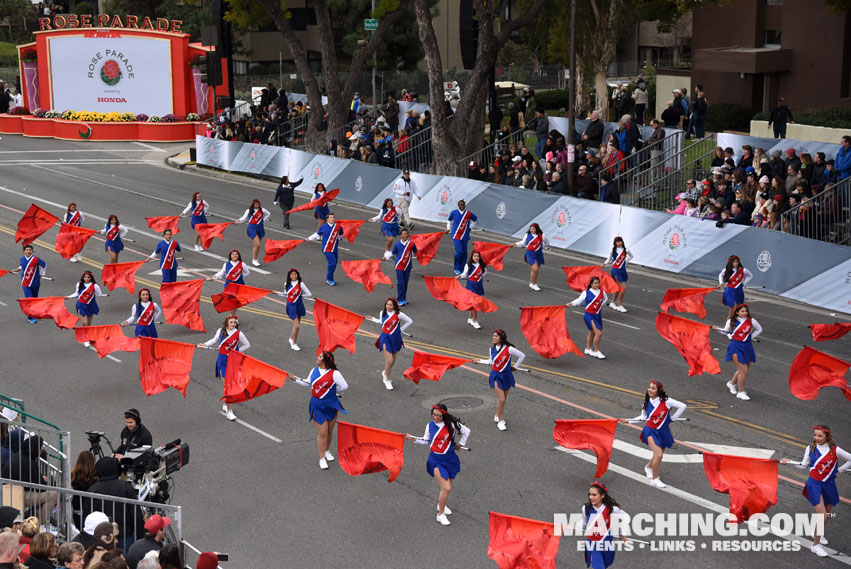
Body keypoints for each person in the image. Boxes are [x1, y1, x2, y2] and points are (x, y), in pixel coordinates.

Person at [780, 425, 851, 558]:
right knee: (822, 515)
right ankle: (816, 545)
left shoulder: (835, 450)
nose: (816, 438)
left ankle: (818, 532)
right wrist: (789, 462)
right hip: (814, 485)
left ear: (827, 437)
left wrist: (838, 470)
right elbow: (803, 466)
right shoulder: (810, 448)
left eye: (820, 436)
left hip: (829, 485)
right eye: (815, 435)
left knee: (827, 513)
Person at [405, 404, 470, 526]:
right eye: (433, 414)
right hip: (435, 460)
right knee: (446, 488)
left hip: (450, 459)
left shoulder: (452, 424)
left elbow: (466, 431)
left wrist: (460, 444)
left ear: (444, 415)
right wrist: (413, 438)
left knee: (448, 486)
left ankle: (442, 504)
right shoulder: (429, 425)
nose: (435, 417)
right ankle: (440, 514)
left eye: (438, 416)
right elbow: (425, 440)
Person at [619, 381, 686, 488]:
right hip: (650, 431)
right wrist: (628, 420)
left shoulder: (667, 401)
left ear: (658, 391)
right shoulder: (646, 403)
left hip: (664, 431)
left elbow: (683, 406)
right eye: (649, 387)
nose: (650, 390)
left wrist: (673, 418)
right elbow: (643, 418)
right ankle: (655, 479)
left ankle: (649, 467)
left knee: (657, 454)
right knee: (659, 454)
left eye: (653, 388)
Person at [293, 351, 348, 470]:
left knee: (329, 431)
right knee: (322, 432)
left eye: (320, 356)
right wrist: (294, 378)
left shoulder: (335, 374)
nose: (317, 357)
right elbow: (308, 383)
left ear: (325, 361)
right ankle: (322, 458)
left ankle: (327, 450)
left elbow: (344, 386)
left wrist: (333, 391)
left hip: (331, 404)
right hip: (317, 405)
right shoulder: (313, 371)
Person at [198, 316, 250, 421]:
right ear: (226, 323)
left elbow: (247, 345)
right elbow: (214, 340)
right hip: (222, 360)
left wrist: (236, 352)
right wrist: (204, 344)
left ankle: (226, 404)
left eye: (235, 323)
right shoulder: (220, 331)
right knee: (228, 385)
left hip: (232, 361)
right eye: (231, 322)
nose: (233, 324)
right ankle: (229, 411)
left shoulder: (239, 334)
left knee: (230, 385)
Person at [85, 458, 144, 548]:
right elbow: (135, 514)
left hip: (101, 538)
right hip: (124, 537)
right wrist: (141, 536)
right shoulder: (125, 487)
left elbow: (87, 515)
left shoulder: (92, 490)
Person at [476, 330, 525, 431]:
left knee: (503, 399)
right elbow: (491, 362)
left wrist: (515, 367)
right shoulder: (491, 349)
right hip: (496, 375)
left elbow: (522, 356)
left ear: (501, 338)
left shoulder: (509, 349)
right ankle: (500, 421)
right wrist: (479, 361)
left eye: (495, 336)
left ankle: (497, 415)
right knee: (501, 399)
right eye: (493, 336)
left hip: (507, 375)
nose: (493, 338)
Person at [714, 303, 762, 401]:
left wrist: (749, 337)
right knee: (744, 370)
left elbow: (759, 329)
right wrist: (716, 330)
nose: (744, 313)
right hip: (735, 346)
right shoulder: (731, 321)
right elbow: (725, 332)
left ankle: (731, 383)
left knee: (744, 369)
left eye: (746, 311)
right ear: (737, 312)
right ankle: (741, 392)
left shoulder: (751, 320)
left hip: (748, 346)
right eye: (742, 311)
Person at [580, 481, 629, 568]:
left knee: (605, 565)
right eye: (590, 494)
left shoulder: (612, 510)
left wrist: (622, 534)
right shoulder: (586, 508)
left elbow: (625, 517)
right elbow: (584, 523)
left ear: (602, 496)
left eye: (594, 495)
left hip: (607, 544)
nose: (591, 497)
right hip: (593, 544)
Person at [373, 298, 413, 391]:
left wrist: (401, 330)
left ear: (394, 306)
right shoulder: (382, 312)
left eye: (390, 305)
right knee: (390, 360)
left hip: (396, 338)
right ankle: (387, 379)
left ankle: (385, 372)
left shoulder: (399, 314)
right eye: (387, 305)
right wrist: (373, 319)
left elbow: (410, 321)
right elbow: (381, 322)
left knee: (393, 361)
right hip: (385, 338)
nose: (388, 307)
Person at [567, 276, 608, 359]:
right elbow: (579, 300)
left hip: (598, 315)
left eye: (598, 283)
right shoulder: (586, 292)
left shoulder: (602, 292)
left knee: (592, 332)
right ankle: (597, 351)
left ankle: (588, 349)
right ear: (591, 284)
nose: (597, 285)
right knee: (598, 333)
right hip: (589, 315)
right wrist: (570, 304)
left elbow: (605, 300)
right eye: (595, 283)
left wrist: (598, 306)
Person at [273, 268, 312, 351]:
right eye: (292, 274)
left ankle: (291, 338)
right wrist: (277, 293)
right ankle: (294, 343)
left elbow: (309, 294)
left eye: (295, 274)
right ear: (289, 276)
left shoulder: (301, 284)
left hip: (299, 305)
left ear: (297, 275)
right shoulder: (286, 284)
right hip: (291, 306)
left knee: (297, 325)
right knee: (297, 326)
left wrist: (300, 297)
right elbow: (286, 295)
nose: (294, 276)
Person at [11, 244, 47, 323]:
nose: (28, 251)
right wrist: (15, 270)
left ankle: (35, 313)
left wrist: (41, 274)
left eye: (30, 250)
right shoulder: (22, 259)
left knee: (35, 299)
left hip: (35, 282)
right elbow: (22, 267)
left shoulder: (36, 259)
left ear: (32, 251)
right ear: (24, 251)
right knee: (29, 299)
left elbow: (44, 265)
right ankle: (30, 317)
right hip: (25, 282)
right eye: (27, 250)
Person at [308, 212, 344, 286]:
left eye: (333, 217)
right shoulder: (323, 227)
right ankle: (329, 279)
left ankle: (330, 278)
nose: (332, 218)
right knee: (332, 263)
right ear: (327, 219)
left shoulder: (338, 226)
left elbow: (340, 234)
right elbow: (317, 234)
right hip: (326, 248)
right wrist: (309, 238)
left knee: (334, 264)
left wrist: (339, 237)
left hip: (334, 248)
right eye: (330, 217)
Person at [717, 254, 753, 322]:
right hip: (730, 291)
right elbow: (720, 275)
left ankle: (734, 321)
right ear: (730, 262)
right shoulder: (726, 270)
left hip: (739, 290)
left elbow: (750, 276)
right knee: (733, 306)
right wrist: (721, 283)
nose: (736, 263)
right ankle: (729, 321)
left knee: (738, 307)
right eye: (734, 261)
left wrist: (743, 283)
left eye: (737, 261)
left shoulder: (743, 270)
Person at [512, 223, 548, 291]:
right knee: (535, 269)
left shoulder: (542, 236)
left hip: (538, 254)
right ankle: (534, 284)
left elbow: (547, 242)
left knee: (535, 270)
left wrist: (541, 247)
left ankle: (531, 283)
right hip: (530, 254)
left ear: (537, 229)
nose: (531, 230)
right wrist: (516, 244)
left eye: (533, 229)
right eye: (531, 228)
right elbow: (523, 242)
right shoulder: (527, 234)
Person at [235, 199, 270, 267]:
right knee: (258, 244)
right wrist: (238, 220)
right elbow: (244, 217)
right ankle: (254, 259)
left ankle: (254, 259)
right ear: (253, 204)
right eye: (255, 204)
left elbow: (268, 214)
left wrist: (263, 220)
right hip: (252, 228)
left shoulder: (262, 210)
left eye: (258, 204)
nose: (257, 206)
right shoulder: (249, 210)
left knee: (256, 245)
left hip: (260, 228)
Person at [600, 236, 632, 312]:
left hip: (623, 270)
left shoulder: (626, 250)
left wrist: (625, 262)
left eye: (620, 241)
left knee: (618, 288)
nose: (619, 243)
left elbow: (631, 256)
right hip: (616, 271)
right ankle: (620, 305)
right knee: (623, 288)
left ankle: (612, 302)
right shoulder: (613, 250)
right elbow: (609, 258)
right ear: (615, 243)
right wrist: (603, 264)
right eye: (617, 242)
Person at [457, 250, 487, 330]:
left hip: (479, 285)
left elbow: (484, 273)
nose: (476, 257)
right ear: (472, 257)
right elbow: (464, 274)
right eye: (475, 256)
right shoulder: (469, 265)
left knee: (475, 303)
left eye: (478, 256)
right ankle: (475, 321)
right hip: (471, 285)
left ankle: (470, 318)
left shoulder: (482, 265)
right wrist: (458, 277)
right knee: (474, 303)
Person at [447, 200, 477, 275]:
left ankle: (462, 268)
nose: (462, 206)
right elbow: (449, 220)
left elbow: (475, 219)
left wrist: (470, 227)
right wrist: (448, 228)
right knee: (459, 252)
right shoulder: (454, 213)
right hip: (456, 235)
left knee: (464, 253)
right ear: (458, 205)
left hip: (465, 236)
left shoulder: (468, 213)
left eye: (463, 205)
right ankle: (456, 268)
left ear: (465, 205)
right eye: (460, 205)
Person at [390, 227, 417, 306]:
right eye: (404, 234)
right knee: (400, 283)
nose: (405, 235)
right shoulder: (397, 244)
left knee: (405, 283)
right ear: (401, 235)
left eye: (406, 234)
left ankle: (403, 298)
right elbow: (392, 253)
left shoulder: (411, 244)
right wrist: (386, 257)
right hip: (399, 265)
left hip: (407, 266)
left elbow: (416, 252)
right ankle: (399, 299)